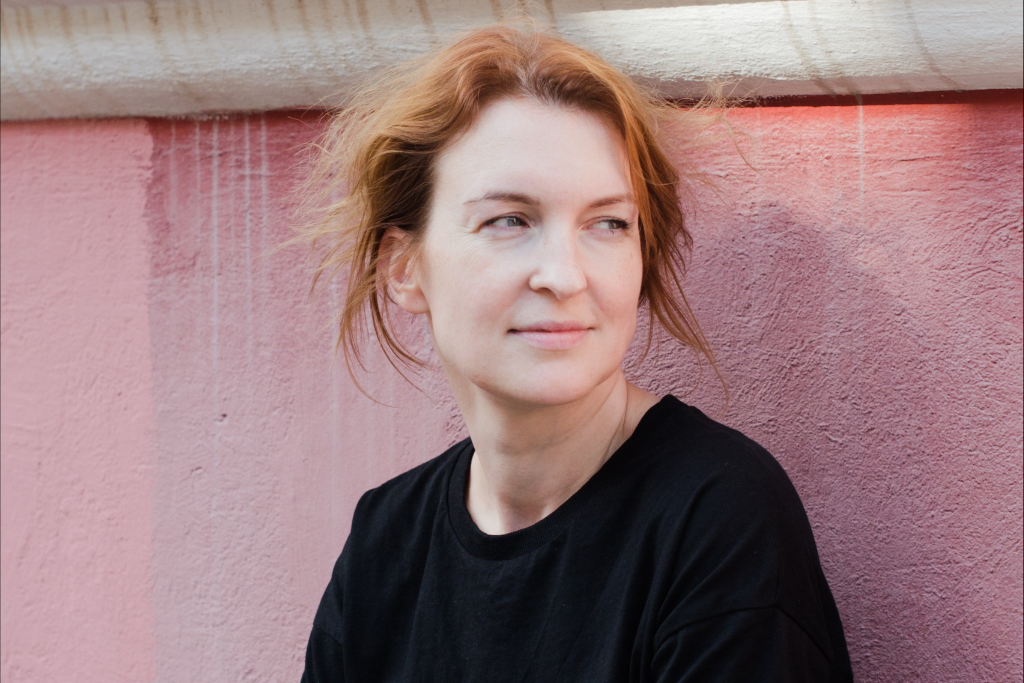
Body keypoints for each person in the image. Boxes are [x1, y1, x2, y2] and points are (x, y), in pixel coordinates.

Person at [298, 24, 853, 683]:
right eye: (509, 220)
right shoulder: (385, 544)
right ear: (403, 266)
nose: (564, 275)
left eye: (608, 223)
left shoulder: (715, 518)